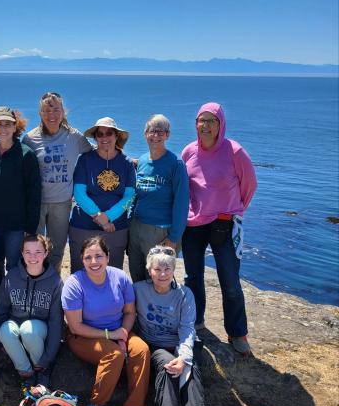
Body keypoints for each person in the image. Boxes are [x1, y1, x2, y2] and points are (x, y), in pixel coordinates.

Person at [181, 102, 258, 355]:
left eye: (211, 121)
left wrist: (235, 210)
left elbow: (249, 185)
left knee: (230, 280)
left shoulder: (234, 151)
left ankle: (237, 333)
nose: (205, 126)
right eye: (201, 121)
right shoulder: (189, 152)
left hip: (225, 223)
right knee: (193, 277)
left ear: (220, 124)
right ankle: (196, 321)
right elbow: (184, 187)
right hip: (194, 224)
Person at [61, 236, 150, 406]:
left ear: (108, 257)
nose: (94, 262)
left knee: (141, 350)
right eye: (88, 257)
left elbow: (129, 312)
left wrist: (123, 334)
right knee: (114, 355)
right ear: (82, 260)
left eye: (99, 256)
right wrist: (110, 335)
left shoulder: (120, 277)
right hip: (85, 336)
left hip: (119, 331)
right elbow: (75, 327)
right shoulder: (74, 284)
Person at [134, 246, 207, 406]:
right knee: (167, 365)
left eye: (167, 269)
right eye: (157, 269)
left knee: (190, 374)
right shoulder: (139, 290)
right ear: (150, 270)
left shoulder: (185, 294)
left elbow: (187, 328)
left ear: (174, 270)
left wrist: (184, 358)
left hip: (180, 346)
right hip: (155, 346)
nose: (163, 274)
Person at [22, 92, 93, 271]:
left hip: (62, 202)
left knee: (57, 249)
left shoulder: (74, 136)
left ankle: (52, 283)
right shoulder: (30, 139)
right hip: (36, 202)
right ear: (40, 113)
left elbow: (94, 155)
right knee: (33, 248)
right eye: (46, 110)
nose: (51, 114)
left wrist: (124, 159)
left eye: (56, 109)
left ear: (63, 112)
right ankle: (34, 281)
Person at [0, 234, 63, 389]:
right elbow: (0, 311)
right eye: (28, 252)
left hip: (39, 330)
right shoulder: (11, 277)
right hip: (16, 324)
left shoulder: (55, 281)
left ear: (45, 253)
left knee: (29, 330)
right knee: (6, 330)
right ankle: (26, 373)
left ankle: (43, 370)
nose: (33, 257)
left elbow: (56, 321)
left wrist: (48, 357)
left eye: (38, 252)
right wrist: (0, 342)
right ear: (22, 254)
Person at [68, 117, 136, 273]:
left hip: (115, 230)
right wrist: (100, 218)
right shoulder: (85, 159)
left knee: (112, 276)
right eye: (100, 134)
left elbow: (129, 196)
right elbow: (79, 193)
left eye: (109, 133)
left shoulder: (126, 163)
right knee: (80, 276)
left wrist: (109, 217)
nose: (104, 137)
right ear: (95, 137)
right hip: (83, 227)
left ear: (116, 136)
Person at [128, 114, 189, 283]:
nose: (156, 136)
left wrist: (173, 238)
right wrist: (129, 223)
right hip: (137, 228)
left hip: (160, 232)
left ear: (167, 135)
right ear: (145, 134)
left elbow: (182, 203)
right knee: (137, 277)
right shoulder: (141, 161)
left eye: (161, 132)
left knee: (158, 281)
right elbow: (136, 196)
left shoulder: (176, 164)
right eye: (152, 131)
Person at [0, 106, 41, 281]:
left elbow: (34, 194)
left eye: (7, 124)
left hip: (16, 227)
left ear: (15, 127)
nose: (3, 128)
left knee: (15, 268)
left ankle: (14, 306)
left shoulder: (26, 154)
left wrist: (30, 229)